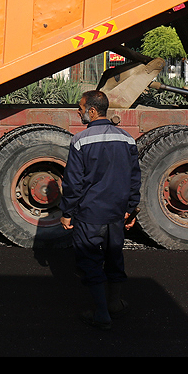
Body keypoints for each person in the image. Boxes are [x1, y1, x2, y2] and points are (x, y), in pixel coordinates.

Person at [60, 90, 141, 330]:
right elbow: (134, 178)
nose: (78, 111)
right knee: (114, 257)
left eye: (80, 107)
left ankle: (101, 313)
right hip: (116, 213)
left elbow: (73, 183)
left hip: (90, 215)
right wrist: (131, 209)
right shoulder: (127, 139)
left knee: (90, 260)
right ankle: (115, 304)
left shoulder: (80, 141)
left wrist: (67, 212)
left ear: (92, 111)